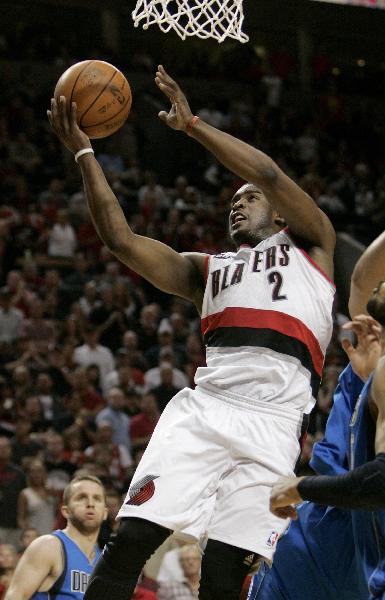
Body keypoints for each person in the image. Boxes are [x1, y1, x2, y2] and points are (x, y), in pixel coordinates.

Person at [47, 63, 335, 600]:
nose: (237, 203)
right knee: (131, 539)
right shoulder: (207, 270)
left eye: (247, 198)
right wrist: (85, 153)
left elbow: (269, 174)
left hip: (274, 426)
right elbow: (122, 241)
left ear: (279, 215)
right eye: (232, 201)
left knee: (226, 574)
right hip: (208, 408)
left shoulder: (312, 246)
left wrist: (193, 126)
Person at [270, 291, 385, 599]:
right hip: (330, 526)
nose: (377, 285)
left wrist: (301, 488)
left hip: (352, 528)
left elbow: (380, 481)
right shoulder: (364, 371)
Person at [4, 474, 107, 599]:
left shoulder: (102, 563)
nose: (90, 503)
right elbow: (14, 596)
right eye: (81, 498)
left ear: (105, 513)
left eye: (97, 498)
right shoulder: (48, 546)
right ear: (65, 511)